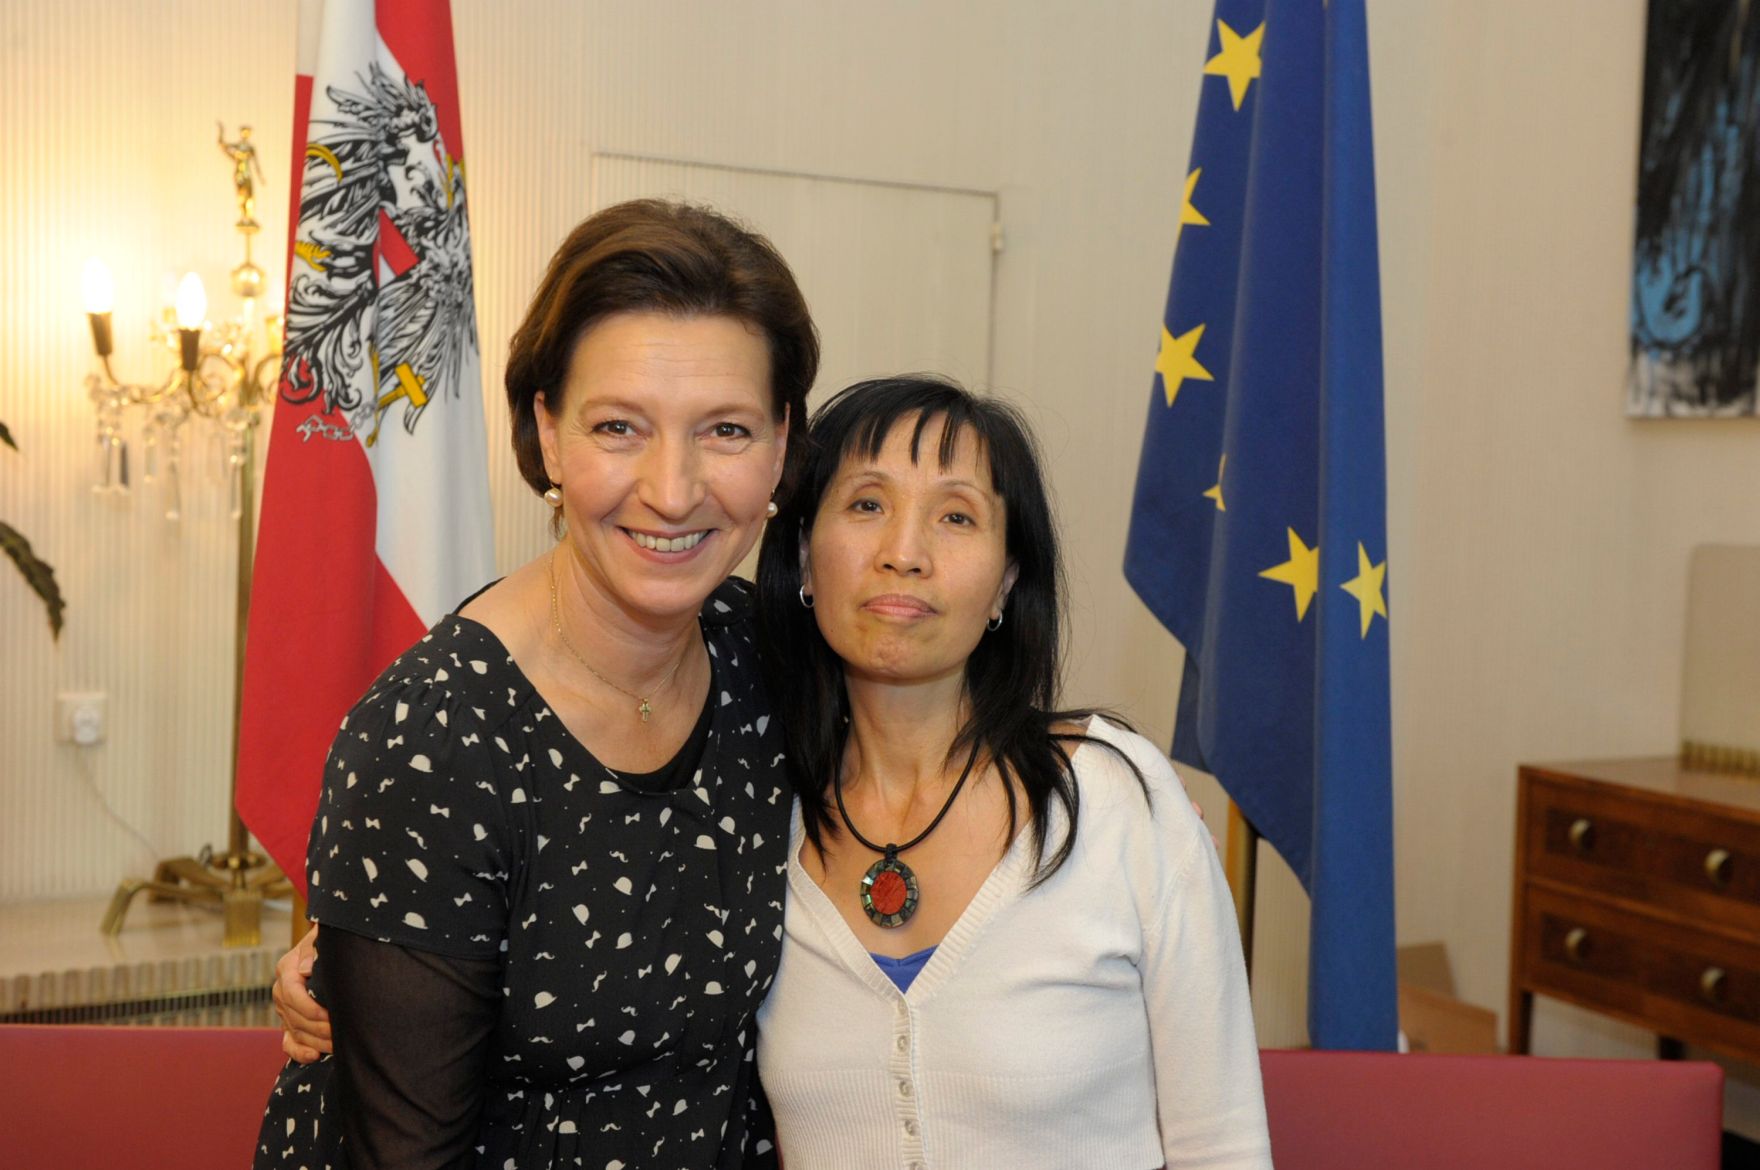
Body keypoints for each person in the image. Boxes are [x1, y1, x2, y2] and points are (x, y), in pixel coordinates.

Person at [253, 197, 818, 1170]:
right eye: (619, 427)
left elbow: (934, 748)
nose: (673, 489)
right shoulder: (432, 746)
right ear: (546, 432)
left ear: (780, 446)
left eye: (724, 430)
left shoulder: (765, 660)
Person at [749, 376, 1272, 1169]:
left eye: (956, 516)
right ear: (802, 563)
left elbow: (1223, 1147)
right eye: (866, 505)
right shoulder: (751, 817)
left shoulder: (1117, 802)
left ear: (1005, 583)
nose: (904, 552)